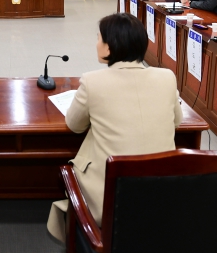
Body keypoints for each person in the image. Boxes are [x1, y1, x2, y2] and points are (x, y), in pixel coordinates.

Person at [47, 13, 183, 242]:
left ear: (110, 46)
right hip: (163, 194)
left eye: (99, 38)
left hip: (110, 200)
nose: (96, 43)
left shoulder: (92, 81)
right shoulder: (167, 77)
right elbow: (176, 121)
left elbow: (74, 125)